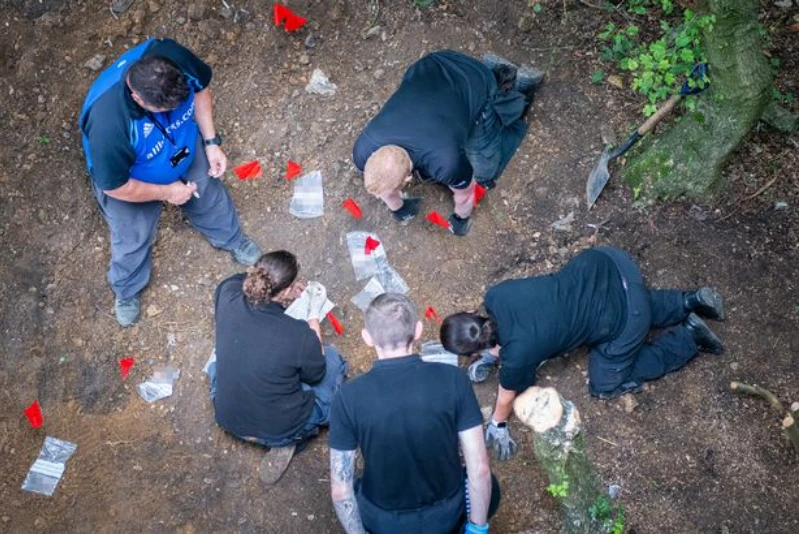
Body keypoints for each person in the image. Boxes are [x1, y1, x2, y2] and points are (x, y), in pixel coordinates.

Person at [440, 246, 726, 461]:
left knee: (605, 382)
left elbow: (506, 396)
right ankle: (690, 300)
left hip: (623, 316)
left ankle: (689, 337)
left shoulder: (517, 356)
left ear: (474, 351)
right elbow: (523, 324)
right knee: (621, 300)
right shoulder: (496, 295)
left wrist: (498, 423)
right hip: (608, 265)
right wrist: (493, 354)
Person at [79, 38, 262, 327]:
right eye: (163, 109)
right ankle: (127, 289)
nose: (173, 109)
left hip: (182, 144)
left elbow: (201, 91)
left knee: (208, 189)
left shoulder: (173, 60)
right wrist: (167, 192)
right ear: (138, 99)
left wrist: (211, 143)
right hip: (132, 176)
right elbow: (115, 186)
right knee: (131, 234)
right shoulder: (109, 123)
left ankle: (232, 239)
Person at [328, 293, 501, 534]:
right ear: (418, 330)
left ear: (367, 338)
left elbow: (341, 490)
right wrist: (477, 527)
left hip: (384, 521)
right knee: (491, 487)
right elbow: (479, 468)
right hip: (446, 515)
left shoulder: (347, 398)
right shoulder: (454, 380)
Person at [352, 50, 542, 236]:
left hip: (475, 80)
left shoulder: (445, 161)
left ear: (409, 178)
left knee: (483, 173)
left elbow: (466, 195)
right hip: (432, 65)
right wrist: (399, 208)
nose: (379, 198)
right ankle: (494, 69)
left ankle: (519, 88)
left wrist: (460, 220)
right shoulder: (362, 151)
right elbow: (383, 185)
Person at [210, 250, 348, 484]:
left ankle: (271, 431)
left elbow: (235, 280)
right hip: (279, 426)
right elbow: (316, 374)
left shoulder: (228, 293)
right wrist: (313, 318)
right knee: (332, 361)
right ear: (285, 291)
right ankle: (290, 440)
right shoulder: (297, 334)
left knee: (219, 363)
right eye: (293, 285)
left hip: (227, 416)